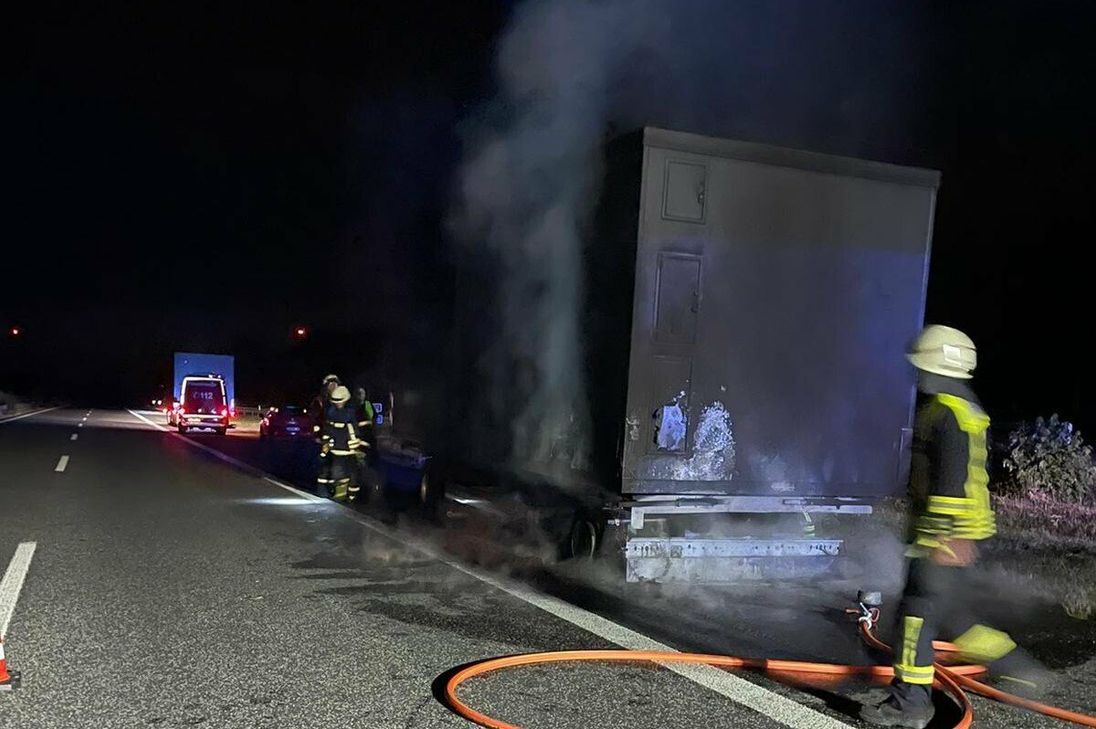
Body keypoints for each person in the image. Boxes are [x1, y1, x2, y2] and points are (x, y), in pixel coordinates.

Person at [861, 325, 1050, 728]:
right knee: (953, 618)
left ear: (938, 366)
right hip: (950, 534)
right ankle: (1017, 666)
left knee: (914, 621)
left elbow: (950, 480)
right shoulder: (962, 406)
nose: (917, 374)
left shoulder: (948, 411)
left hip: (943, 536)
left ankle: (909, 704)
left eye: (921, 367)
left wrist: (945, 535)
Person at [316, 385, 362, 503]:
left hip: (347, 450)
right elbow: (328, 430)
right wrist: (326, 445)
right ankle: (342, 498)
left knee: (351, 475)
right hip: (338, 450)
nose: (338, 404)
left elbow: (354, 431)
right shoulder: (334, 412)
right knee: (339, 474)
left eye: (340, 401)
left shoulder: (349, 413)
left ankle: (350, 498)